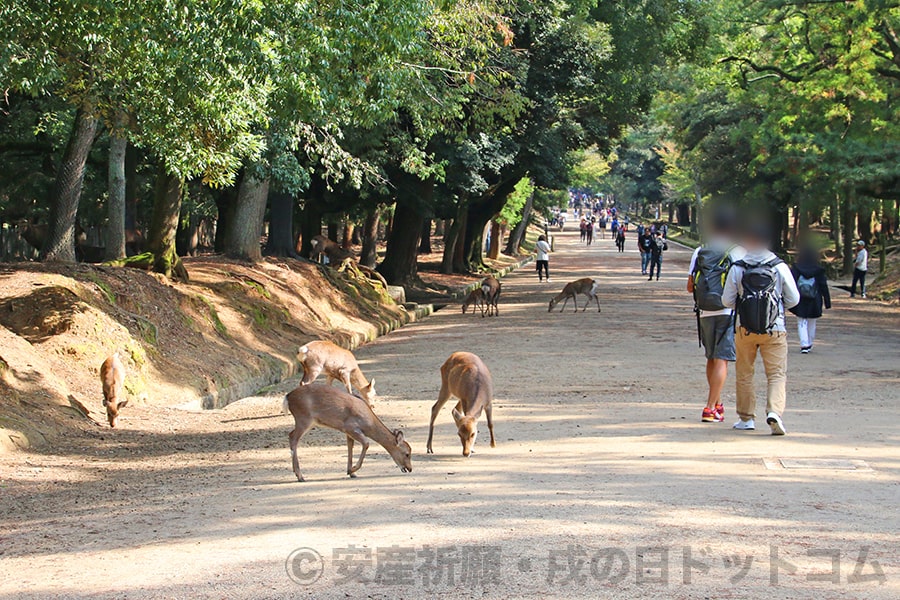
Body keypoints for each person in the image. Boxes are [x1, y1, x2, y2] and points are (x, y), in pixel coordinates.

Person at [722, 224, 800, 436]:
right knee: (776, 374)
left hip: (743, 329)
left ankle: (746, 418)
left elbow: (727, 301)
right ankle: (774, 412)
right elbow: (794, 299)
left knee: (745, 373)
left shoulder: (738, 267)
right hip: (775, 328)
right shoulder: (779, 266)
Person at [688, 212, 745, 423]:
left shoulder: (700, 251)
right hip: (727, 311)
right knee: (722, 359)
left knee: (711, 357)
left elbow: (689, 286)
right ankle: (710, 407)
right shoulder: (737, 251)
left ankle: (718, 403)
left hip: (704, 311)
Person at [789, 246, 831, 354]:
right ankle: (810, 343)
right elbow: (823, 285)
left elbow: (791, 284)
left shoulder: (796, 268)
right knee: (812, 321)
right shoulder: (818, 270)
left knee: (801, 321)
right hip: (815, 298)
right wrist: (827, 301)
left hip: (800, 298)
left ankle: (804, 344)